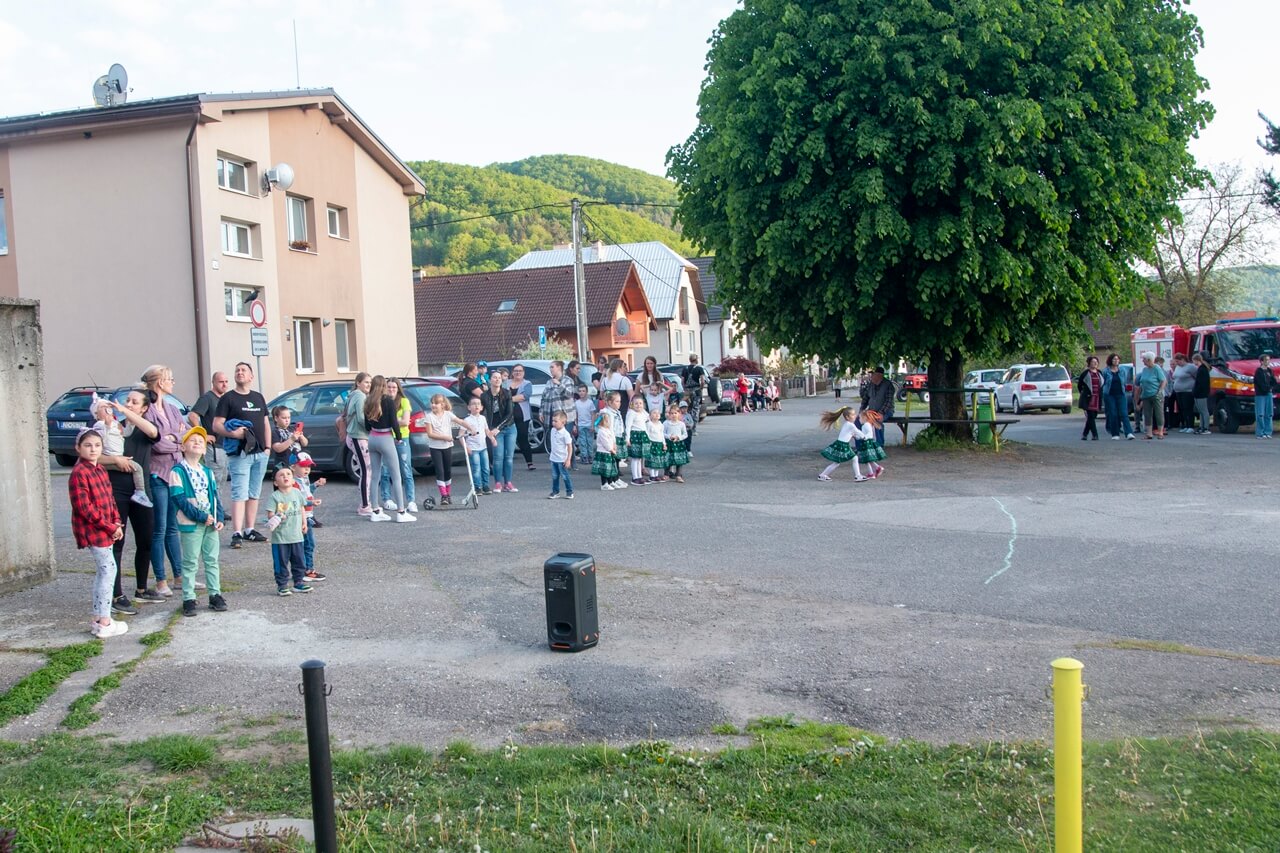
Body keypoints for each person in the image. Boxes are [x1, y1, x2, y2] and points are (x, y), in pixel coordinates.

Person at [101, 390, 162, 607]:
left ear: (144, 408)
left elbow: (154, 432)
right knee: (117, 542)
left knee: (146, 540)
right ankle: (116, 594)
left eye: (134, 402)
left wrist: (126, 412)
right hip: (116, 490)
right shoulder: (112, 427)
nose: (128, 404)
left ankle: (141, 589)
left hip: (142, 491)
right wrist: (115, 460)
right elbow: (93, 456)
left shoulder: (145, 428)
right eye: (127, 400)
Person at [68, 428, 128, 638]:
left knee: (105, 571)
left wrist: (117, 522)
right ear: (78, 448)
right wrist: (109, 527)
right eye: (87, 445)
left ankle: (98, 617)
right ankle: (105, 621)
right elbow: (85, 508)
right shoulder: (79, 473)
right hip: (94, 530)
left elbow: (110, 500)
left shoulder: (100, 470)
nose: (93, 449)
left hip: (107, 528)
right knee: (108, 570)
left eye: (97, 445)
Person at [167, 426, 227, 617]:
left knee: (212, 560)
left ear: (204, 449)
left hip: (210, 522)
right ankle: (188, 597)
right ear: (183, 447)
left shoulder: (207, 471)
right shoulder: (178, 471)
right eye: (192, 440)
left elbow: (214, 496)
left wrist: (219, 517)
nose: (197, 443)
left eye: (201, 441)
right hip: (191, 523)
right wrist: (200, 516)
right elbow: (179, 499)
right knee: (190, 561)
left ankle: (215, 594)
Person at [140, 364, 187, 596]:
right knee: (159, 529)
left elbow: (187, 433)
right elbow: (157, 444)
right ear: (160, 382)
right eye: (170, 379)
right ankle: (160, 580)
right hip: (158, 474)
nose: (173, 383)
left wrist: (174, 438)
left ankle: (179, 576)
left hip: (175, 473)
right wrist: (176, 442)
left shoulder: (173, 408)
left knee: (172, 527)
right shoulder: (147, 411)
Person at [213, 361, 270, 548]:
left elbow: (266, 423)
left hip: (260, 453)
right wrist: (233, 434)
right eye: (237, 370)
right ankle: (236, 532)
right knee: (240, 493)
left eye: (243, 370)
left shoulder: (258, 397)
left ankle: (249, 529)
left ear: (251, 376)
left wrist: (268, 448)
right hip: (240, 454)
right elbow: (217, 425)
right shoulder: (228, 398)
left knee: (254, 493)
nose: (239, 372)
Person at [363, 375, 414, 523]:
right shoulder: (388, 401)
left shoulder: (368, 401)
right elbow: (394, 423)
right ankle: (401, 512)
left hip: (372, 438)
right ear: (383, 386)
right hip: (385, 437)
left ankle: (375, 510)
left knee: (375, 476)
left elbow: (366, 426)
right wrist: (398, 437)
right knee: (396, 476)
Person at [91, 398, 151, 507]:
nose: (107, 409)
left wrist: (131, 424)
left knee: (135, 468)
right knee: (137, 468)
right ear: (96, 414)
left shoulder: (116, 423)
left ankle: (140, 493)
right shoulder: (99, 425)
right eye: (103, 407)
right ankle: (140, 492)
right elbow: (99, 438)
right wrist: (107, 425)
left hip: (118, 456)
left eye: (108, 407)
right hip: (108, 457)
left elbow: (126, 433)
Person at [188, 370, 231, 520]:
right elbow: (192, 415)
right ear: (213, 382)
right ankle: (213, 510)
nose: (224, 384)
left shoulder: (225, 399)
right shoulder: (207, 398)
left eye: (226, 382)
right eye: (221, 382)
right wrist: (203, 435)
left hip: (225, 446)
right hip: (213, 448)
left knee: (222, 479)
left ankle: (218, 508)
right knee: (214, 479)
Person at [265, 466, 312, 596]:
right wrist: (276, 517)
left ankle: (298, 582)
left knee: (299, 560)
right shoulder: (275, 496)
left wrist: (304, 522)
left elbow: (302, 508)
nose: (285, 476)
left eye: (288, 474)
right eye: (281, 475)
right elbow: (270, 513)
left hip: (296, 535)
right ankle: (282, 585)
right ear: (276, 483)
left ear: (293, 480)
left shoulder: (297, 493)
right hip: (281, 537)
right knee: (281, 562)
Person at [425, 392, 476, 505]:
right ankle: (443, 495)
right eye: (432, 403)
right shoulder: (429, 417)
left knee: (447, 470)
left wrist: (471, 428)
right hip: (435, 447)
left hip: (447, 447)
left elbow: (460, 421)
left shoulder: (448, 414)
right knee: (440, 470)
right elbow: (430, 434)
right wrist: (445, 437)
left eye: (436, 403)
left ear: (442, 405)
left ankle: (448, 494)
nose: (433, 405)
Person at [378, 378, 417, 512]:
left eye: (394, 387)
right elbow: (380, 420)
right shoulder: (382, 401)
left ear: (398, 388)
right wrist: (396, 420)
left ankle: (411, 501)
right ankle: (387, 499)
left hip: (402, 438)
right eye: (389, 387)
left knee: (406, 469)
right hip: (386, 437)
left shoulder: (404, 401)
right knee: (385, 470)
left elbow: (406, 421)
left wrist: (390, 420)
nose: (391, 390)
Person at [342, 372, 374, 516]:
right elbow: (362, 418)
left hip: (354, 435)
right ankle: (365, 505)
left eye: (370, 382)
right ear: (358, 383)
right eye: (366, 382)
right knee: (366, 471)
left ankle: (366, 503)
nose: (369, 385)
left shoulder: (353, 395)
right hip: (358, 436)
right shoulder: (360, 396)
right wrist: (373, 428)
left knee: (366, 470)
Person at [292, 454, 326, 583]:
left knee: (306, 544)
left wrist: (315, 485)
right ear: (293, 467)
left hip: (308, 516)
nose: (307, 469)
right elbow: (297, 500)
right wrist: (311, 503)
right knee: (307, 544)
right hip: (302, 517)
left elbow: (307, 492)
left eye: (309, 467)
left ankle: (302, 569)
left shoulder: (304, 479)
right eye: (303, 466)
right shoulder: (294, 483)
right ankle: (307, 570)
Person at [481, 372, 517, 492]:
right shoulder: (484, 396)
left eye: (499, 378)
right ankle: (497, 483)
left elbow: (509, 413)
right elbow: (482, 413)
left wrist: (499, 428)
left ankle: (508, 482)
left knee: (509, 457)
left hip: (509, 427)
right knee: (498, 457)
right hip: (494, 429)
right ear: (490, 380)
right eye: (495, 377)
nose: (497, 380)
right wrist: (488, 429)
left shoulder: (506, 393)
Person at [817, 405, 860, 481]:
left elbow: (853, 435)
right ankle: (858, 476)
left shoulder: (847, 424)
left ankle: (823, 475)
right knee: (843, 461)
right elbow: (858, 432)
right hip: (843, 446)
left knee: (843, 461)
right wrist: (865, 437)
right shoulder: (851, 425)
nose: (855, 416)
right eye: (853, 414)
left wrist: (856, 436)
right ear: (847, 417)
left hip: (842, 445)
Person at [507, 364, 537, 472]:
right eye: (516, 370)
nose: (518, 372)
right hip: (507, 416)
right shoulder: (506, 383)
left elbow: (525, 396)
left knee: (523, 438)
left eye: (520, 371)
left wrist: (507, 399)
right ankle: (506, 464)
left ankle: (529, 462)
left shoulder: (527, 384)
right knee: (507, 439)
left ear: (523, 373)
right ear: (512, 372)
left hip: (522, 416)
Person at [462, 396, 494, 495]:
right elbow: (461, 435)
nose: (476, 406)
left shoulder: (483, 418)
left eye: (478, 404)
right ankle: (478, 486)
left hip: (483, 447)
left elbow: (487, 430)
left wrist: (492, 438)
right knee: (476, 468)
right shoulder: (467, 420)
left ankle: (485, 485)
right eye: (473, 404)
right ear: (469, 407)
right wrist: (466, 447)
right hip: (473, 448)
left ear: (481, 407)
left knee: (486, 468)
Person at [859, 366, 895, 446]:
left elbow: (888, 402)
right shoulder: (870, 384)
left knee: (876, 420)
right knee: (858, 420)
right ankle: (861, 446)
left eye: (873, 375)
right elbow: (865, 398)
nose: (871, 376)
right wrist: (861, 410)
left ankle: (879, 445)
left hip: (886, 411)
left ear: (879, 376)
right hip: (871, 410)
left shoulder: (888, 385)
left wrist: (881, 413)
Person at [1103, 354, 1135, 440]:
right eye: (1114, 359)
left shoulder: (1122, 370)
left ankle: (1129, 433)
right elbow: (1103, 383)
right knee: (1113, 414)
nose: (1116, 361)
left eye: (1117, 359)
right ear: (1110, 360)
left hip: (1121, 394)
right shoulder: (1106, 371)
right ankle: (1115, 433)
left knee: (1124, 413)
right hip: (1110, 395)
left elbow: (1124, 382)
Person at [1136, 352, 1166, 440]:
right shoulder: (1144, 369)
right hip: (1146, 395)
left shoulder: (1156, 368)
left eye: (1144, 359)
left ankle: (1160, 432)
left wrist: (1160, 391)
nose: (1143, 361)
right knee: (1147, 414)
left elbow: (1163, 380)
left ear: (1149, 360)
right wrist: (1139, 397)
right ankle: (1149, 433)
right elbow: (1141, 382)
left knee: (1159, 413)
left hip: (1155, 394)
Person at [546, 411, 576, 499]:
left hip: (562, 459)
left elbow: (570, 447)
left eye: (556, 421)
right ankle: (555, 491)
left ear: (563, 422)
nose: (553, 423)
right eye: (553, 421)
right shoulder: (552, 430)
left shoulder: (565, 434)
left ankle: (569, 491)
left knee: (565, 476)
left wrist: (568, 459)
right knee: (554, 476)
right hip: (553, 458)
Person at [269, 405, 308, 470]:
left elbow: (305, 444)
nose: (287, 420)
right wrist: (291, 439)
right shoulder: (275, 432)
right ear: (276, 418)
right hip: (283, 464)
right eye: (284, 418)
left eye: (289, 417)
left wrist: (301, 436)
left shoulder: (293, 428)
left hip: (297, 463)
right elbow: (277, 448)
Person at [592, 410, 621, 490]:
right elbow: (605, 443)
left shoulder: (608, 430)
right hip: (604, 453)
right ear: (602, 422)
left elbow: (612, 439)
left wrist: (614, 445)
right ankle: (604, 484)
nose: (609, 422)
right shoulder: (601, 431)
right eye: (607, 421)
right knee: (604, 469)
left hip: (609, 452)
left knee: (610, 468)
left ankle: (610, 482)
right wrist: (611, 449)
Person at [624, 395, 649, 486]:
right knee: (635, 458)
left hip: (642, 435)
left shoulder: (643, 413)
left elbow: (648, 418)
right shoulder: (631, 413)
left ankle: (639, 476)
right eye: (636, 403)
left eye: (640, 403)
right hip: (635, 435)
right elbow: (628, 426)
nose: (638, 405)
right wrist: (627, 438)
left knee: (639, 458)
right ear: (632, 404)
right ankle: (635, 477)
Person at [1077, 356, 1103, 440]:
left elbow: (1102, 384)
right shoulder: (1085, 373)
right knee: (1091, 416)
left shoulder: (1099, 373)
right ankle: (1095, 435)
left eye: (1096, 362)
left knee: (1093, 416)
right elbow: (1079, 385)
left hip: (1097, 397)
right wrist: (1083, 393)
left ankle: (1085, 434)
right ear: (1089, 363)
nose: (1095, 363)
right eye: (1093, 362)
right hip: (1089, 398)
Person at [1171, 353, 1197, 433]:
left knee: (1188, 408)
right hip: (1179, 391)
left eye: (1178, 361)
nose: (1177, 363)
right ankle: (1185, 425)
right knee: (1182, 409)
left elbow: (1196, 376)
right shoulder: (1178, 367)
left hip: (1187, 391)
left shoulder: (1191, 367)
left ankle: (1191, 426)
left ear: (1182, 360)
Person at [857, 411, 888, 479]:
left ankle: (873, 472)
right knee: (868, 459)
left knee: (867, 459)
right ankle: (875, 470)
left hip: (867, 444)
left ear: (864, 418)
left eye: (860, 418)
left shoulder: (866, 425)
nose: (859, 420)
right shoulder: (866, 425)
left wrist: (864, 437)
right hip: (866, 443)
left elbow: (869, 434)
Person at [664, 404, 690, 482]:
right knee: (668, 459)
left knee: (679, 460)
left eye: (675, 413)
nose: (673, 415)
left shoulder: (681, 424)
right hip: (669, 443)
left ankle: (678, 475)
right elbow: (662, 433)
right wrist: (669, 436)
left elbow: (685, 434)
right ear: (669, 414)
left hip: (679, 444)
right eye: (672, 413)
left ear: (679, 414)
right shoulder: (666, 423)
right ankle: (666, 474)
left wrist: (678, 437)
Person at [682, 354, 708, 435]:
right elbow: (702, 380)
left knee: (687, 410)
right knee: (695, 410)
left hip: (687, 392)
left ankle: (687, 428)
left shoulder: (685, 369)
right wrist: (701, 388)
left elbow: (682, 381)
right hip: (696, 391)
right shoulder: (699, 368)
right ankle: (693, 429)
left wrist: (685, 389)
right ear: (696, 360)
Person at [643, 407, 668, 482]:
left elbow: (662, 435)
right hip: (652, 443)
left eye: (658, 413)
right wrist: (648, 442)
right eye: (654, 413)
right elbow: (647, 434)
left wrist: (664, 443)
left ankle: (656, 475)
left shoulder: (660, 424)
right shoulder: (649, 424)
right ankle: (652, 476)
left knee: (657, 460)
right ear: (650, 415)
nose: (657, 414)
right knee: (652, 460)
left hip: (659, 444)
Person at [1254, 352, 1276, 439]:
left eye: (1268, 360)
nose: (1268, 361)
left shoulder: (1269, 371)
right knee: (1260, 414)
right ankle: (1260, 432)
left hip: (1269, 394)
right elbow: (1260, 383)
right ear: (1261, 361)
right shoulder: (1258, 372)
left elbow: (1273, 381)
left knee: (1269, 413)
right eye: (1266, 360)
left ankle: (1268, 431)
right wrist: (1267, 388)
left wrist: (1272, 387)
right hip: (1260, 395)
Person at [573, 383, 595, 464]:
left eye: (583, 391)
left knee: (590, 442)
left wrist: (592, 425)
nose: (581, 393)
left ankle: (590, 456)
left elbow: (593, 414)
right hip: (580, 425)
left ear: (586, 392)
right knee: (582, 442)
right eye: (580, 391)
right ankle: (584, 457)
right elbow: (576, 415)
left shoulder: (590, 402)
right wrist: (575, 425)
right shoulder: (577, 403)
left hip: (589, 425)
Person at [1191, 352, 1212, 435]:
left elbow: (1202, 383)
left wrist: (1196, 391)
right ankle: (1202, 426)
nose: (1193, 362)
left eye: (1193, 360)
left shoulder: (1202, 369)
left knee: (1204, 410)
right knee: (1201, 410)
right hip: (1199, 393)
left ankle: (1206, 427)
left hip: (1201, 393)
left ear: (1197, 360)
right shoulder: (1201, 369)